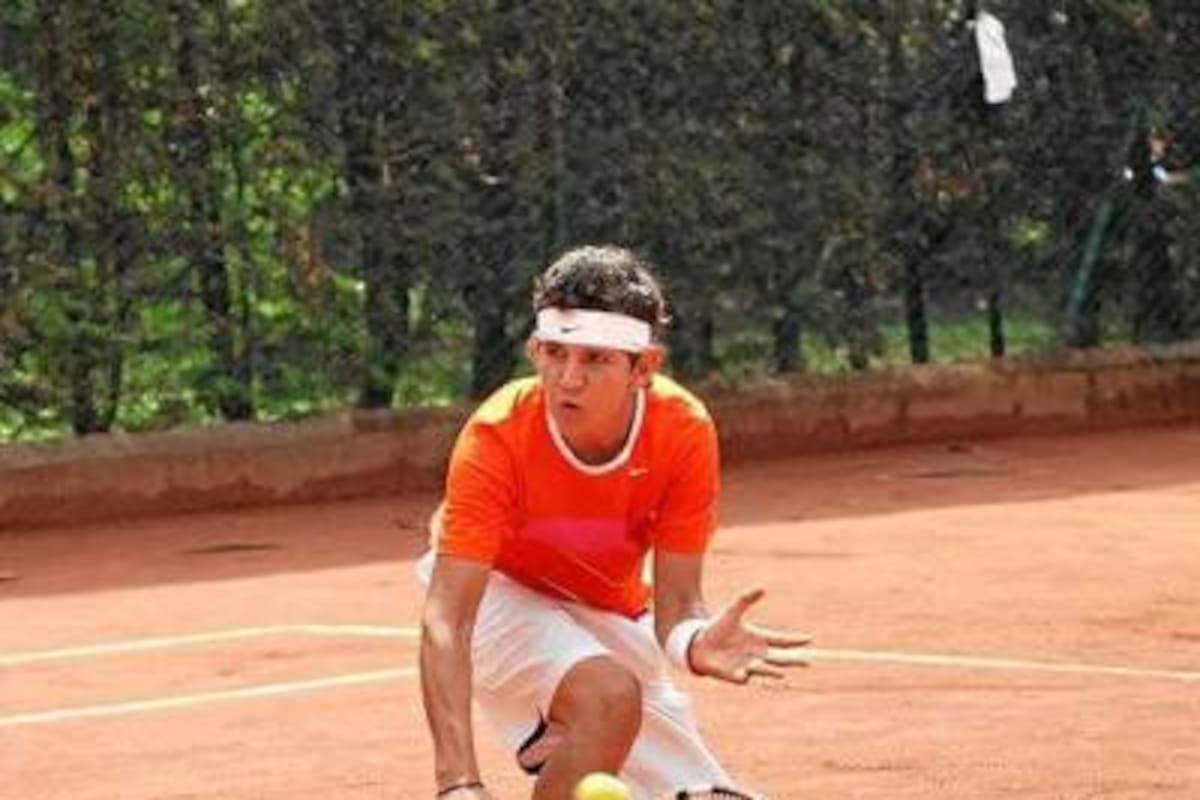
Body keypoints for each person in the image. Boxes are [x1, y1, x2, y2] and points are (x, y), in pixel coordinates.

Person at [417, 245, 811, 800]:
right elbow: (447, 619)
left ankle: (555, 731)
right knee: (608, 696)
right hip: (497, 594)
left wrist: (694, 643)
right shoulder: (496, 436)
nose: (568, 379)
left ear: (644, 368)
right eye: (555, 353)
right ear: (535, 349)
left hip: (601, 607)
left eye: (595, 359)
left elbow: (678, 604)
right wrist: (457, 784)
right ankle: (555, 718)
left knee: (706, 794)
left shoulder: (684, 431)